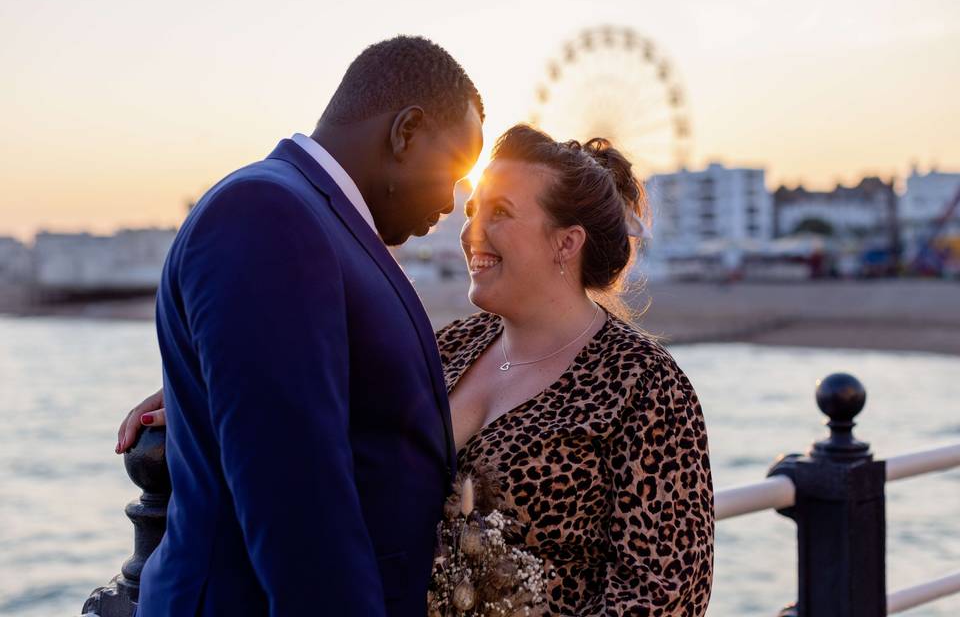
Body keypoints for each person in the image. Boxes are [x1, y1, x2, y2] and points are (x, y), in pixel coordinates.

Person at [119, 124, 715, 614]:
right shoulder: (445, 347)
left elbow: (665, 595)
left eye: (501, 213)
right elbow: (307, 391)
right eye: (474, 207)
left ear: (567, 243)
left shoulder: (645, 385)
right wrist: (214, 380)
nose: (471, 230)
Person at [123, 35, 484, 617]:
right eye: (454, 171)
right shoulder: (268, 215)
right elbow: (297, 505)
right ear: (406, 131)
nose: (451, 201)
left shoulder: (309, 217)